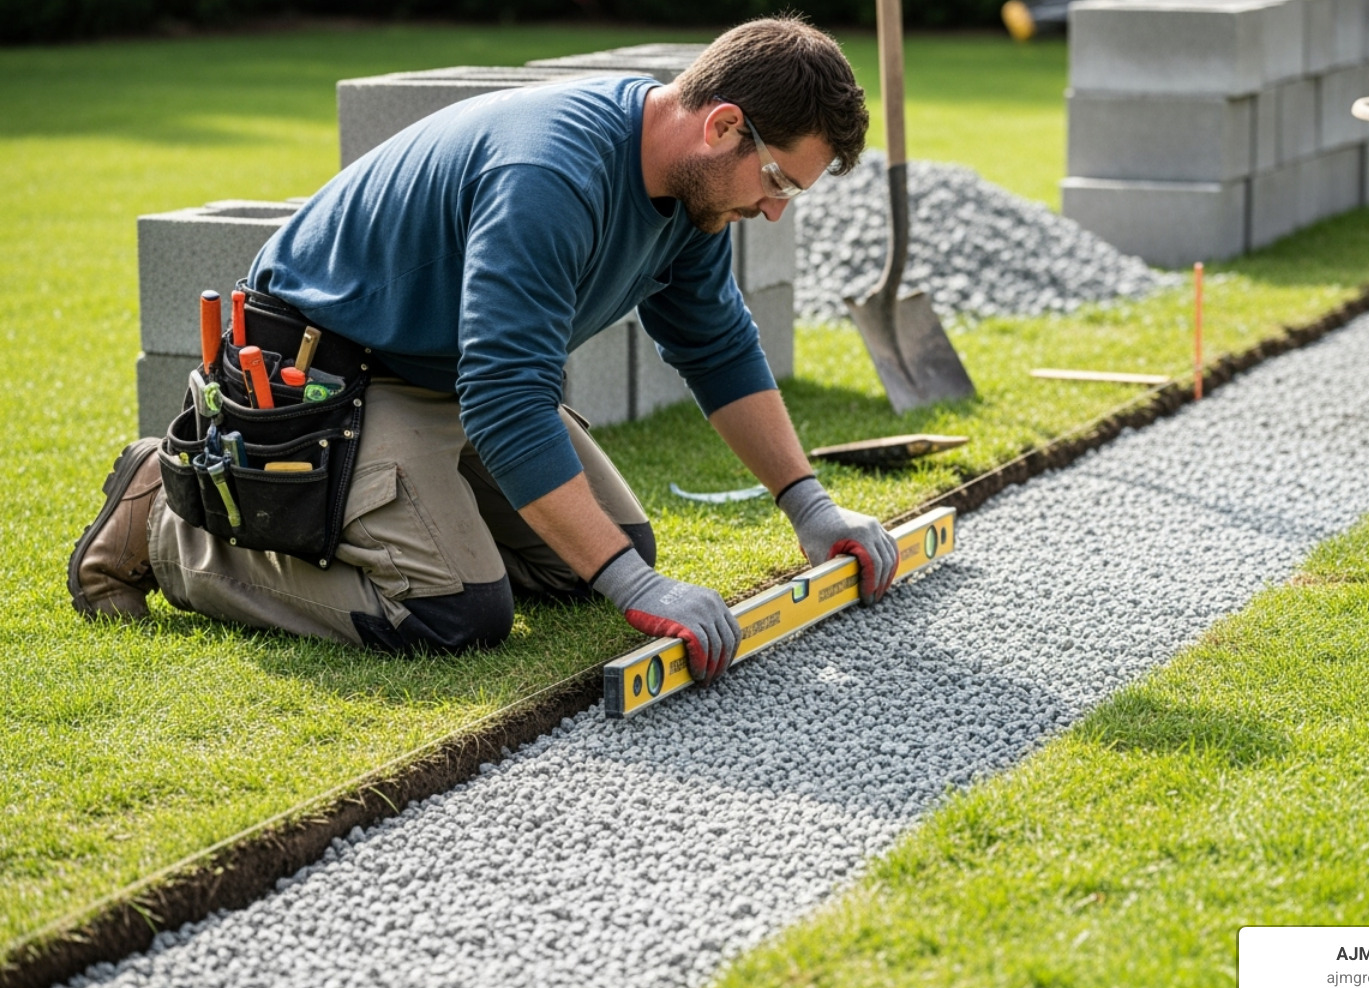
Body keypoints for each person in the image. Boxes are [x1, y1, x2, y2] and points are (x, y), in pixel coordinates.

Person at [68, 16, 899, 683]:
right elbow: (507, 402)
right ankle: (165, 527)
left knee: (601, 561)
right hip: (332, 373)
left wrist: (810, 508)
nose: (777, 210)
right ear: (724, 126)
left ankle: (414, 513)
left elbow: (718, 350)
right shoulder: (554, 174)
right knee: (454, 610)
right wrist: (638, 592)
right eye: (781, 182)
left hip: (440, 374)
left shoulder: (694, 200)